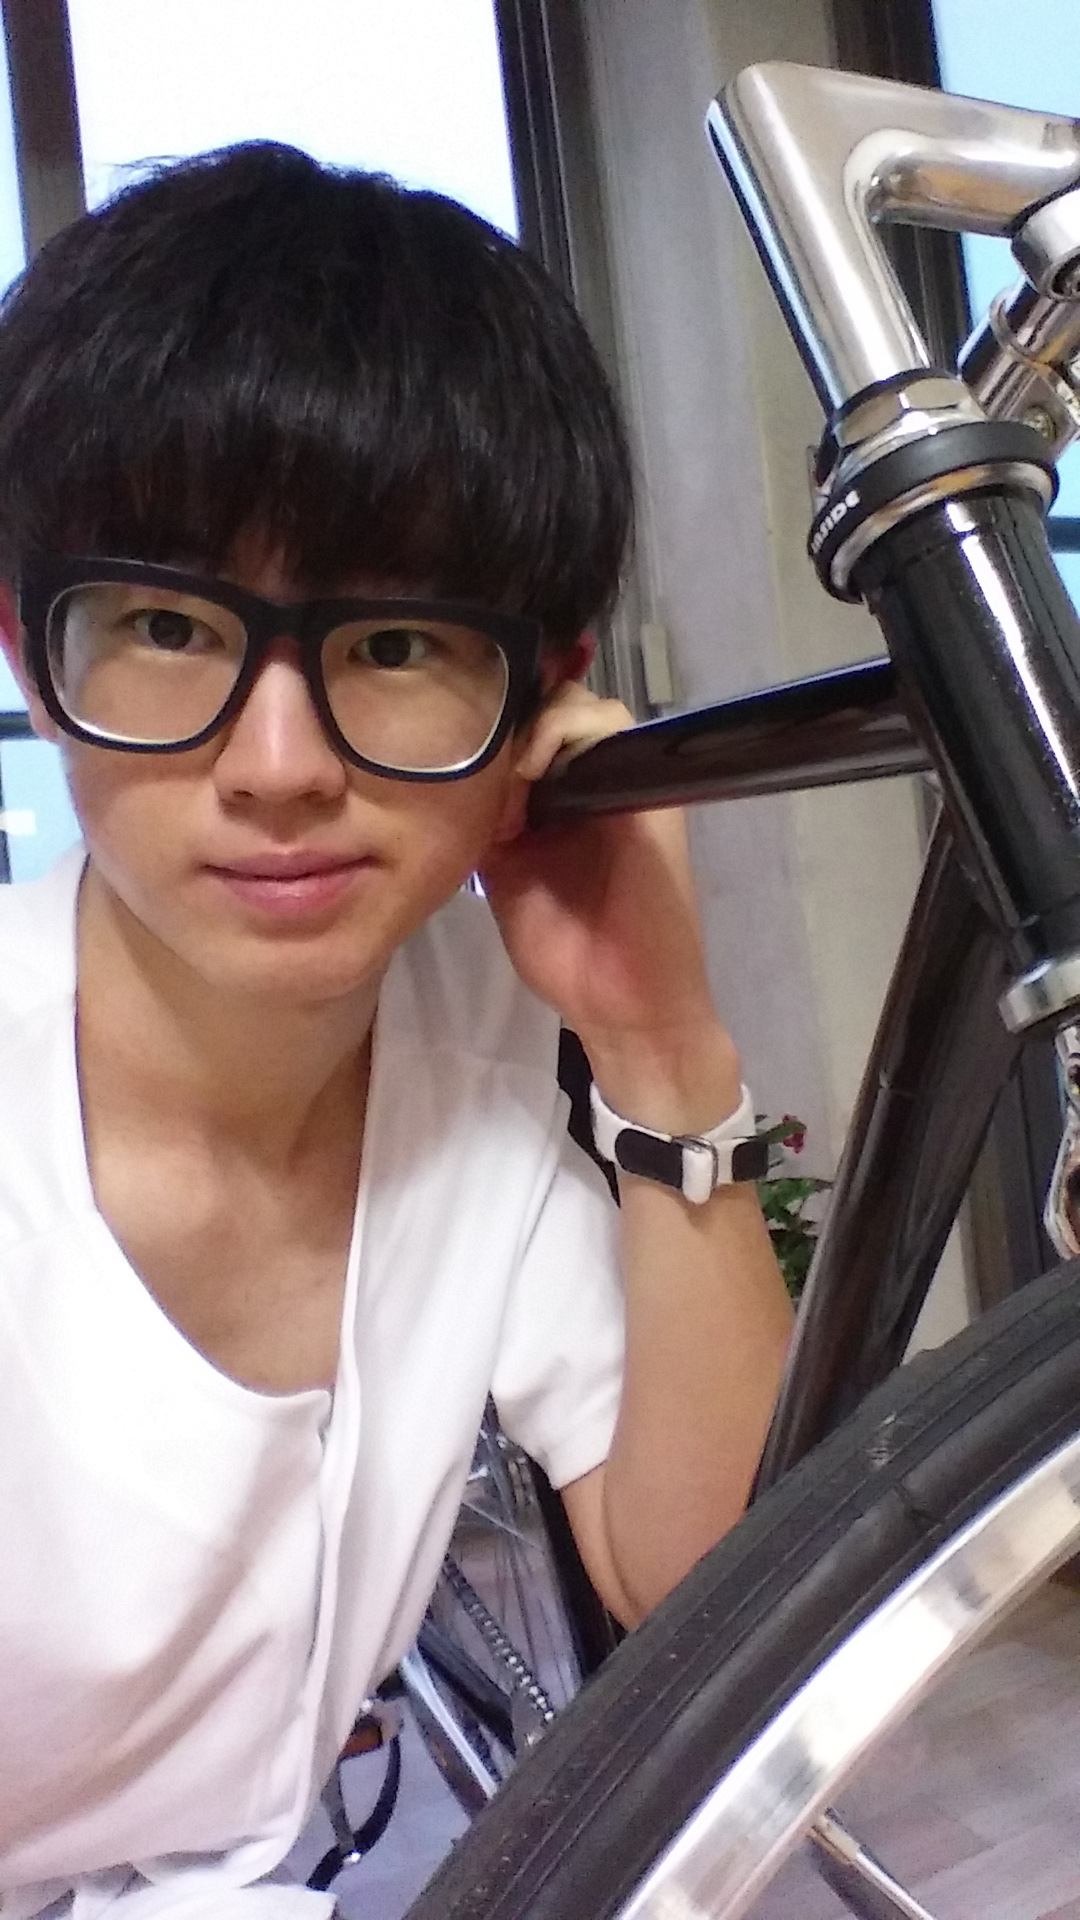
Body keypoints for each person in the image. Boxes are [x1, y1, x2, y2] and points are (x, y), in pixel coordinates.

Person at [0, 143, 793, 1919]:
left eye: (396, 644)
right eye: (166, 623)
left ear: (540, 695)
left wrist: (667, 1057)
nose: (280, 766)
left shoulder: (471, 1052)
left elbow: (704, 1588)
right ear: (33, 655)